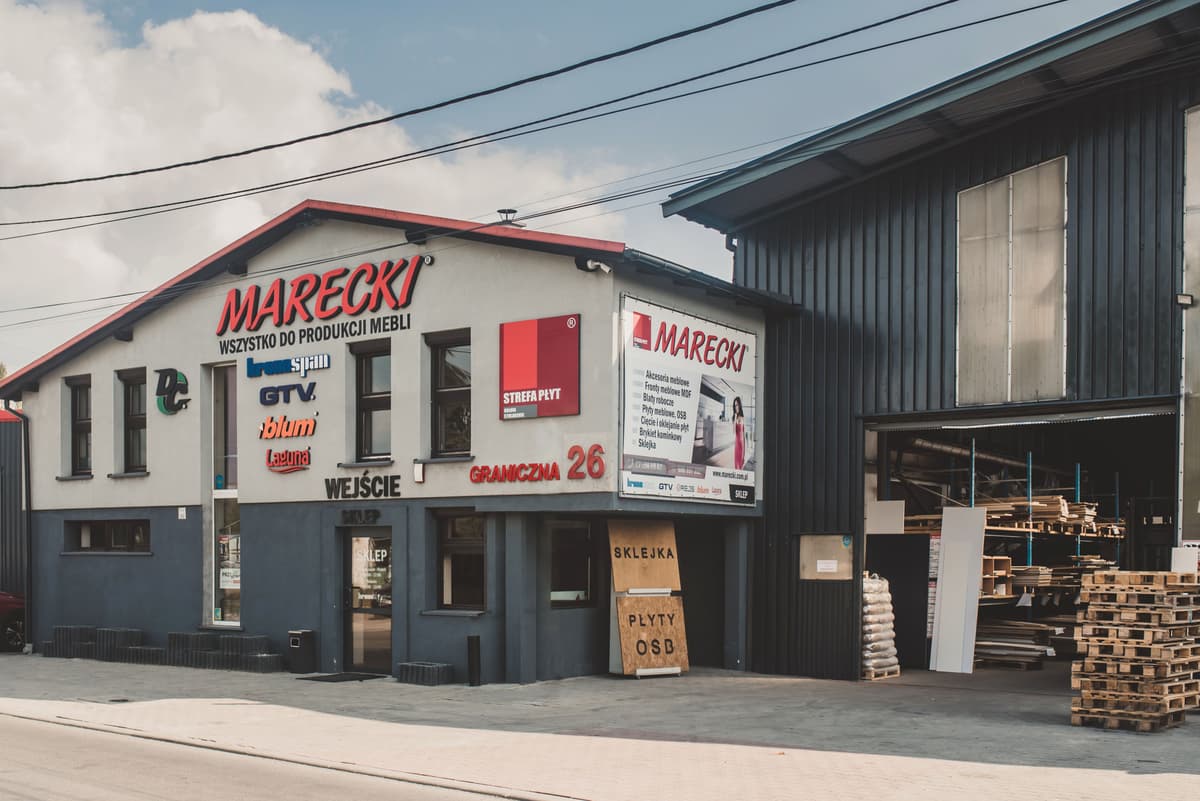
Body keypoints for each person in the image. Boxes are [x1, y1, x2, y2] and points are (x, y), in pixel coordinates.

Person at [732, 396, 747, 470]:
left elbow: (744, 434)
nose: (736, 407)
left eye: (737, 405)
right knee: (736, 465)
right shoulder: (735, 418)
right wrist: (735, 418)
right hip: (737, 444)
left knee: (741, 465)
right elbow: (734, 431)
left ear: (740, 405)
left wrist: (744, 451)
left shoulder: (742, 417)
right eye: (735, 405)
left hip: (742, 444)